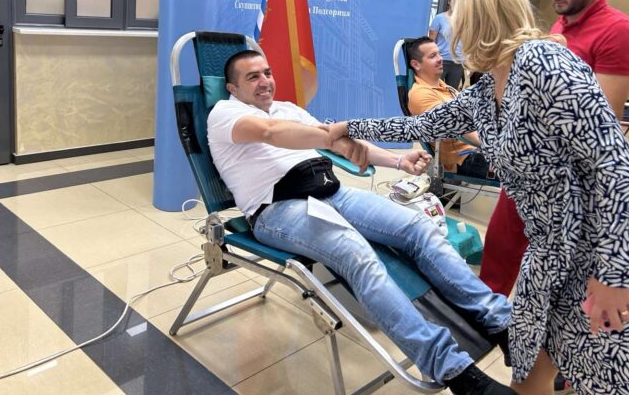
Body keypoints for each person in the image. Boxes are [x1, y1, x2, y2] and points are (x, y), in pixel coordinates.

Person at [329, 0, 629, 395]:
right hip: (554, 249)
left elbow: (612, 166)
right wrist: (348, 127)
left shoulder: (544, 64)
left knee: (616, 375)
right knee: (534, 360)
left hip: (612, 246)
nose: (451, 30)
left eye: (457, 17)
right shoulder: (487, 89)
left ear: (480, 19)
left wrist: (614, 274)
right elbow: (423, 123)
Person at [207, 50, 514, 395]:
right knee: (358, 256)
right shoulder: (225, 113)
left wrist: (398, 160)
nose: (265, 81)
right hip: (278, 209)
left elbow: (342, 144)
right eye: (253, 77)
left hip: (331, 193)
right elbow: (270, 132)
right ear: (232, 88)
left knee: (417, 228)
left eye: (267, 72)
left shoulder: (288, 109)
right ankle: (454, 371)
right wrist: (332, 137)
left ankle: (501, 323)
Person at [479, 0, 629, 299]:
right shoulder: (559, 25)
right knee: (498, 255)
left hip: (568, 180)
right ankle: (487, 319)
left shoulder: (618, 30)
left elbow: (601, 122)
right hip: (529, 169)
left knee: (558, 285)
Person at [407, 36, 490, 179]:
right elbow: (459, 126)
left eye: (439, 54)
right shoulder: (420, 94)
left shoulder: (445, 87)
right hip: (464, 157)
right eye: (432, 56)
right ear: (416, 64)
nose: (440, 59)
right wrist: (495, 145)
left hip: (476, 148)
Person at [430, 0, 466, 89]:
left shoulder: (466, 20)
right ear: (449, 1)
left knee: (452, 92)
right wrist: (434, 56)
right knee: (436, 89)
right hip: (441, 60)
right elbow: (431, 40)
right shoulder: (439, 18)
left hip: (458, 62)